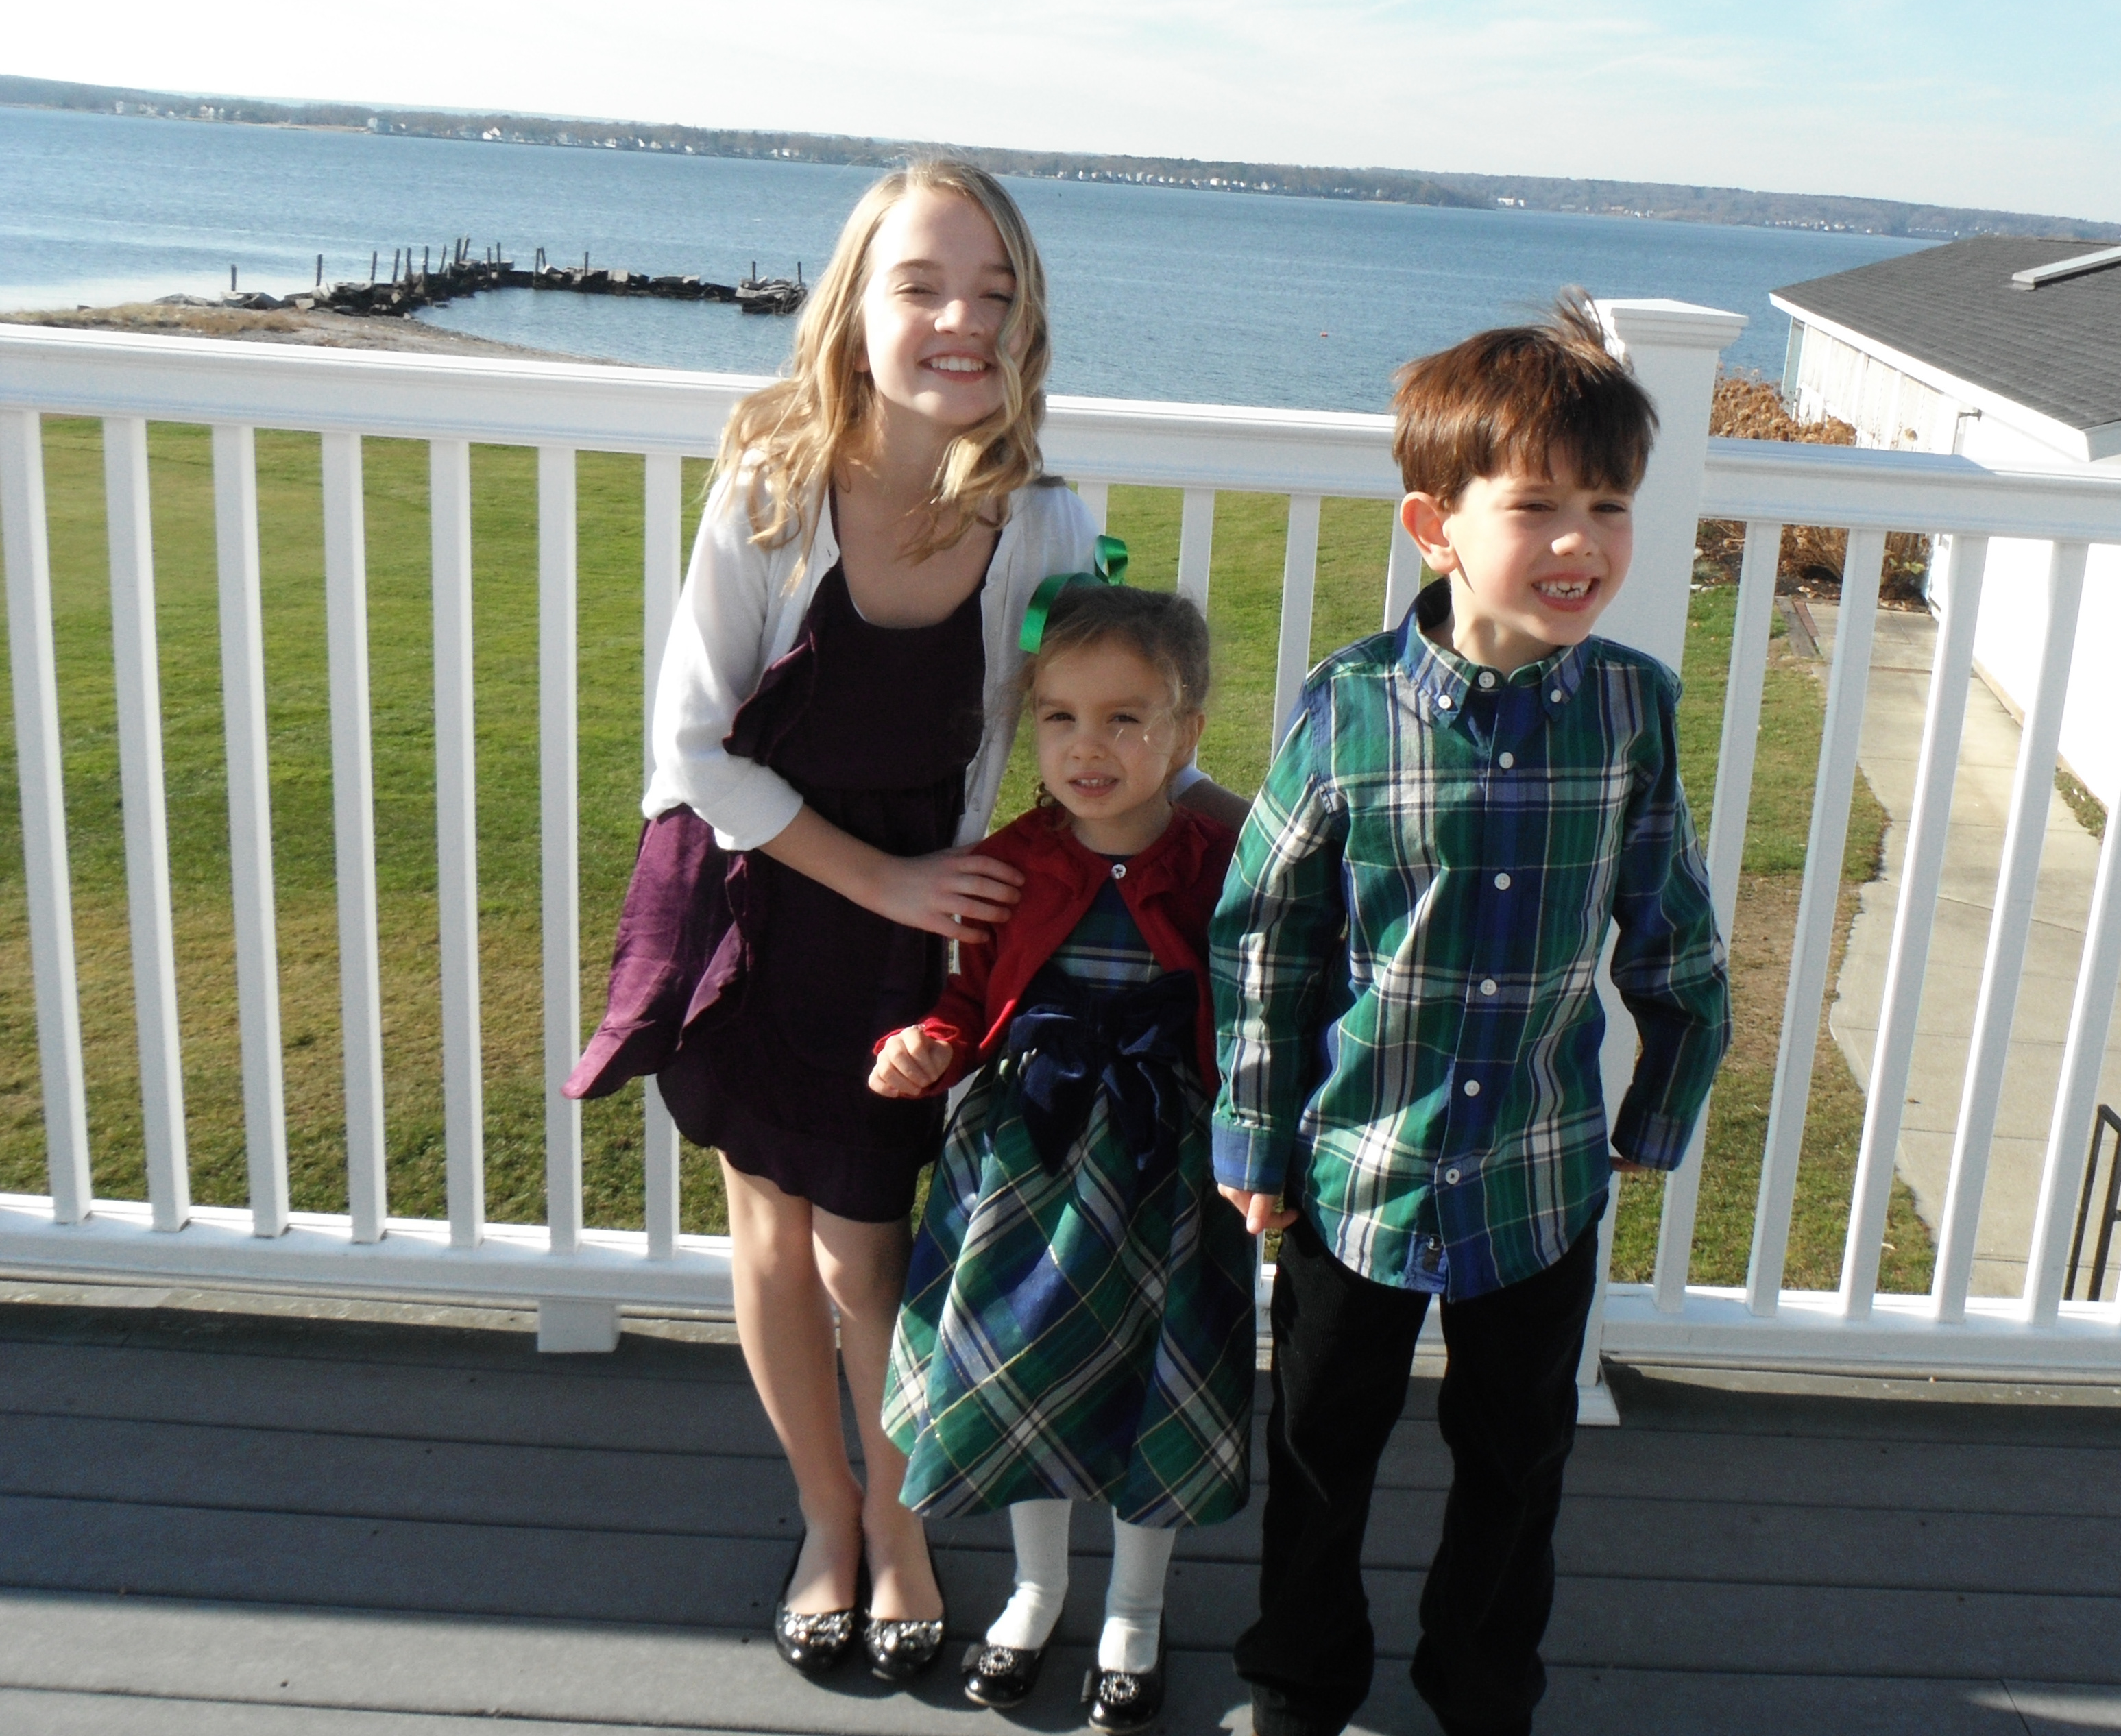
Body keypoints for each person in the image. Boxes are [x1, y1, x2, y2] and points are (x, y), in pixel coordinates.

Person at [568, 160, 1237, 1684]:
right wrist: (883, 883)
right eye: (923, 287)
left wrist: (1253, 827)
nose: (962, 320)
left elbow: (1102, 734)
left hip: (907, 938)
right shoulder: (773, 492)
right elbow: (690, 752)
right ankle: (828, 1520)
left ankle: (901, 1522)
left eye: (996, 295)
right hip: (753, 897)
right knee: (766, 1229)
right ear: (854, 311)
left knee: (868, 1258)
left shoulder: (1042, 523)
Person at [1209, 293, 1732, 1736]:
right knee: (1321, 1445)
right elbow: (1266, 935)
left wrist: (1662, 1100)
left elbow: (1672, 922)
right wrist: (1255, 1140)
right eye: (1539, 506)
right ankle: (1299, 1680)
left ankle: (1484, 1687)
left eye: (1609, 507)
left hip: (1537, 1176)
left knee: (1517, 1459)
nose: (1582, 542)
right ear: (1436, 527)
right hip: (1355, 1171)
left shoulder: (1631, 710)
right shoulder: (1351, 708)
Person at [871, 580, 1255, 1734]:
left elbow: (1264, 1005)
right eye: (1060, 718)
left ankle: (1136, 1609)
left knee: (1150, 1381)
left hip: (1164, 1167)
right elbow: (968, 999)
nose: (1088, 747)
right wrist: (927, 1047)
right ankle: (1036, 1590)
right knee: (1018, 1373)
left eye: (1126, 719)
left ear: (1185, 733)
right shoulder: (1011, 861)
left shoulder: (1225, 858)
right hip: (1024, 1170)